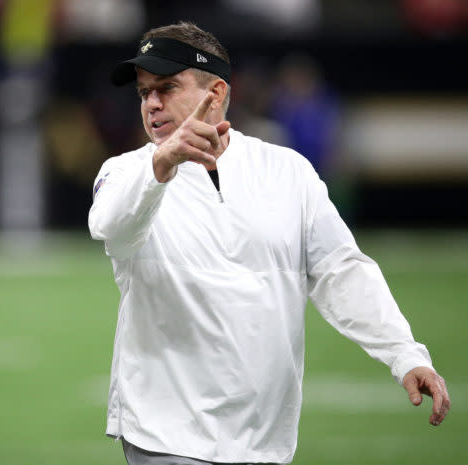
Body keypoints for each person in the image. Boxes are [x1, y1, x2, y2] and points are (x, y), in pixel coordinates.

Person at [88, 21, 450, 465]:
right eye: (144, 93)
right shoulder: (127, 172)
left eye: (166, 87)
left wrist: (404, 354)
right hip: (165, 435)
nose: (152, 104)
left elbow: (341, 271)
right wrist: (163, 164)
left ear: (216, 93)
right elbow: (110, 227)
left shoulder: (287, 171)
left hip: (265, 441)